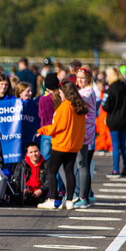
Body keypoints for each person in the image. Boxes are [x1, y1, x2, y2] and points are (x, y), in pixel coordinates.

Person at [36, 81, 88, 210]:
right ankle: (69, 200)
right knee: (69, 171)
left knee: (51, 171)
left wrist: (42, 130)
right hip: (74, 145)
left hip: (61, 144)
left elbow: (58, 126)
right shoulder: (79, 107)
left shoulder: (65, 106)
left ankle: (53, 199)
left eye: (60, 92)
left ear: (65, 92)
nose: (59, 95)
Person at [101, 67, 126, 178]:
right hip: (125, 120)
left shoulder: (110, 90)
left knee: (115, 146)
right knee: (123, 146)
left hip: (114, 121)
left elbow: (105, 106)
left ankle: (116, 170)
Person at [73, 68, 98, 209]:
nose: (79, 80)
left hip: (84, 131)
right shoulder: (86, 91)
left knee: (82, 164)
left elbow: (75, 100)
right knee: (82, 164)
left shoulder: (88, 91)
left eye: (83, 78)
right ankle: (84, 194)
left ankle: (83, 196)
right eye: (78, 77)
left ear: (89, 78)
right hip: (84, 130)